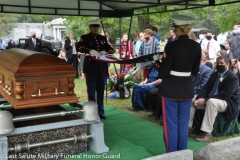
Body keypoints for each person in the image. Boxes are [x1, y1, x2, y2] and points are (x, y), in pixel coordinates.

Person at [157, 15, 201, 152]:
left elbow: (163, 72)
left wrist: (157, 64)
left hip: (170, 89)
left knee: (170, 125)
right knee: (183, 124)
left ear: (176, 29)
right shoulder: (196, 46)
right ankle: (182, 153)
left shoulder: (171, 46)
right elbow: (194, 71)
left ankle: (171, 155)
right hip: (186, 89)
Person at [191, 56, 239, 142]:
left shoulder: (232, 77)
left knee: (211, 102)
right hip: (210, 99)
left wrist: (205, 100)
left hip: (227, 103)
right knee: (192, 100)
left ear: (228, 64)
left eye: (221, 63)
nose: (219, 65)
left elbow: (225, 95)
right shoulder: (214, 74)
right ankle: (188, 127)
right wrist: (200, 98)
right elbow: (206, 88)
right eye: (218, 63)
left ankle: (207, 133)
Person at [77, 19, 113, 119]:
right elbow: (79, 47)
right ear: (90, 28)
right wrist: (90, 50)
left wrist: (106, 52)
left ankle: (101, 112)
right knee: (91, 92)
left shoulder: (102, 38)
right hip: (91, 68)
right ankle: (92, 113)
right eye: (93, 27)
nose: (95, 29)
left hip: (102, 69)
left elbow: (110, 48)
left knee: (100, 92)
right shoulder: (85, 37)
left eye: (97, 27)